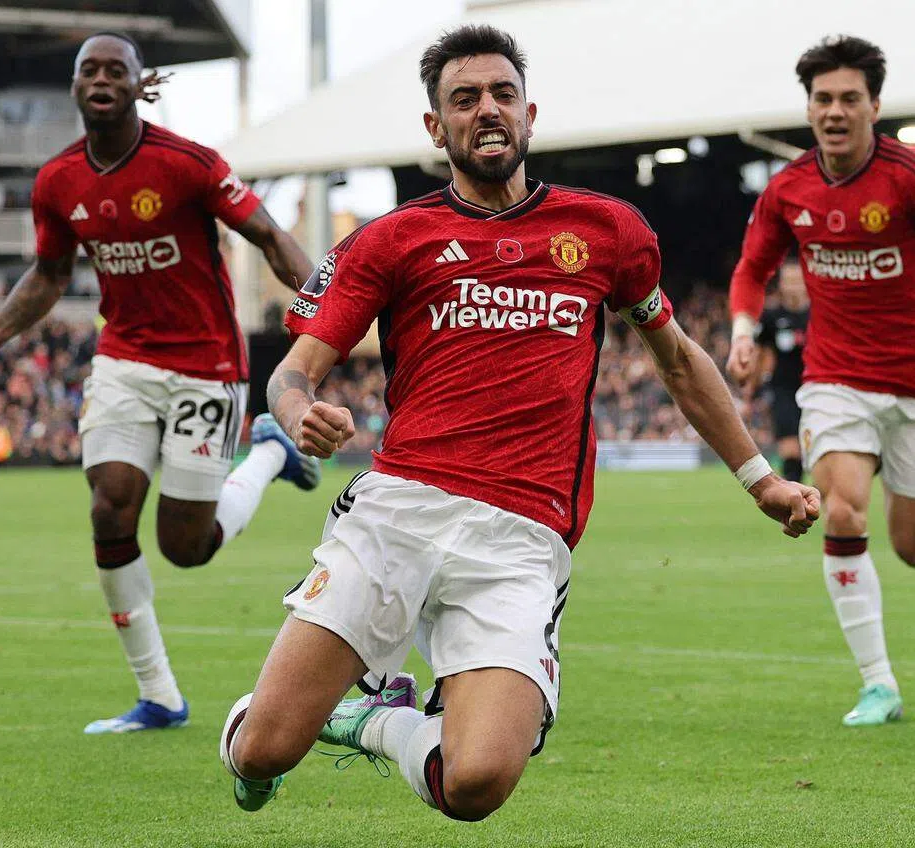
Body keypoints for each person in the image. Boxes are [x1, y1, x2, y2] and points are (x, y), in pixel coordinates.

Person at [218, 24, 819, 821]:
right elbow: (293, 371)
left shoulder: (607, 231)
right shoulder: (391, 239)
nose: (488, 109)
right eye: (465, 99)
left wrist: (761, 479)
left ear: (530, 115)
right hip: (398, 512)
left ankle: (375, 722)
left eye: (503, 94)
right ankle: (266, 731)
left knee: (475, 784)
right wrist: (300, 413)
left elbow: (678, 359)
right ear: (437, 128)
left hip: (522, 537)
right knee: (264, 750)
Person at [0, 32, 322, 734]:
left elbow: (271, 238)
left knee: (186, 547)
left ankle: (270, 453)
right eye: (88, 69)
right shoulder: (58, 181)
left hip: (207, 363)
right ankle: (160, 696)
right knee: (109, 509)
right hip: (123, 359)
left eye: (115, 69)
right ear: (74, 86)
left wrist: (327, 321)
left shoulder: (187, 164)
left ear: (137, 84)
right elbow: (50, 275)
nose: (101, 79)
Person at [726, 35, 915, 726]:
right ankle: (878, 684)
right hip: (835, 379)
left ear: (874, 106)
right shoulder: (788, 188)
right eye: (823, 99)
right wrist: (742, 332)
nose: (835, 111)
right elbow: (752, 268)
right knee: (843, 510)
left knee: (914, 550)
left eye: (849, 99)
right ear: (809, 108)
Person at [747, 260, 809, 481]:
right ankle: (795, 498)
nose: (793, 286)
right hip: (783, 390)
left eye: (797, 280)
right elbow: (761, 355)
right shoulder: (772, 317)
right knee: (791, 450)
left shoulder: (819, 315)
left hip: (815, 388)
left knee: (817, 452)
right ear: (781, 284)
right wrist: (751, 390)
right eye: (789, 281)